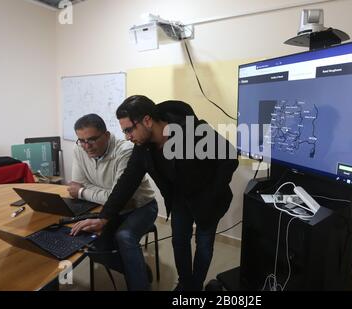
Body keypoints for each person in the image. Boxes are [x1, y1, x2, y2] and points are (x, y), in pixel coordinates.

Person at [71, 96, 239, 291]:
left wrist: (213, 193)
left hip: (209, 200)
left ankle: (196, 286)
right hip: (180, 199)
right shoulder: (143, 147)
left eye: (129, 129)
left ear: (147, 121)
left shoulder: (194, 131)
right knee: (179, 241)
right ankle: (185, 283)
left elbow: (229, 157)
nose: (127, 136)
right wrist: (104, 218)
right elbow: (127, 182)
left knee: (203, 244)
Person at [69, 113, 157, 291]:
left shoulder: (126, 150)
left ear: (107, 135)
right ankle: (138, 269)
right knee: (90, 241)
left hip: (141, 206)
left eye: (92, 139)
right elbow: (75, 186)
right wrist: (85, 191)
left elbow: (116, 196)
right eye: (82, 140)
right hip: (108, 208)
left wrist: (83, 191)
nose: (86, 146)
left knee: (124, 237)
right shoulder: (79, 148)